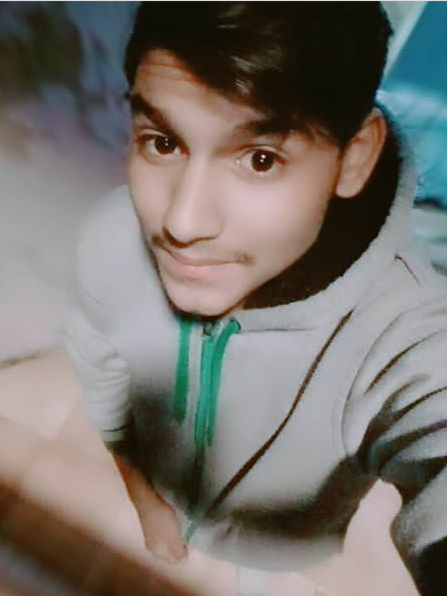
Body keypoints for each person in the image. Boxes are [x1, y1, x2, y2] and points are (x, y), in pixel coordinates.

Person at [63, 3, 447, 595]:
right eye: (162, 142)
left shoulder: (406, 335)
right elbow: (102, 375)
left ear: (355, 157)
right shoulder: (110, 238)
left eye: (260, 159)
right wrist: (143, 498)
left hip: (276, 544)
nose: (182, 222)